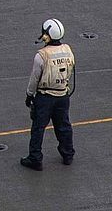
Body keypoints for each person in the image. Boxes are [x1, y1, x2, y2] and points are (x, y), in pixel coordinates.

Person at [20, 18, 76, 169]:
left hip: (45, 97)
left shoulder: (42, 55)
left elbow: (34, 79)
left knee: (38, 128)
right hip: (62, 95)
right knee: (63, 125)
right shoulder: (68, 50)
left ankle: (35, 158)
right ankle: (68, 154)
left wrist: (29, 95)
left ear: (47, 36)